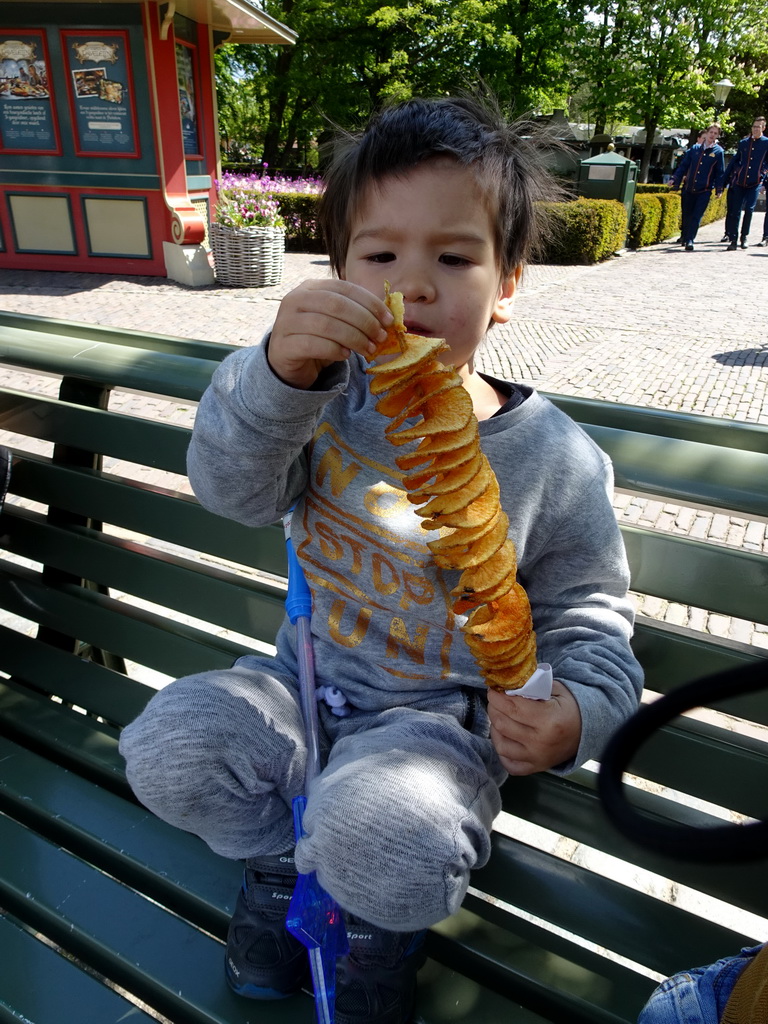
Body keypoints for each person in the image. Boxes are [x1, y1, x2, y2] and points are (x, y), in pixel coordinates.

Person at [119, 95, 644, 1024]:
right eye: (380, 256)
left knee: (389, 832)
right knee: (172, 745)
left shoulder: (556, 459)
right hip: (301, 686)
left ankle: (373, 929)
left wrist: (577, 714)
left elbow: (591, 614)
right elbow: (230, 490)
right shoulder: (312, 398)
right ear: (340, 273)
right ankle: (282, 863)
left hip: (435, 731)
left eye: (453, 257)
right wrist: (277, 375)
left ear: (508, 281)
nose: (414, 288)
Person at [669, 124, 725, 251]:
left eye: (715, 133)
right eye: (711, 132)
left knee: (696, 216)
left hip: (704, 190)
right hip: (689, 188)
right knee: (687, 214)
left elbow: (720, 172)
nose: (712, 135)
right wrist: (675, 178)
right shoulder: (694, 149)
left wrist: (719, 189)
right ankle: (685, 236)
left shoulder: (718, 152)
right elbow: (684, 166)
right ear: (707, 132)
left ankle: (690, 240)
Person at [721, 116, 768, 249]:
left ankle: (744, 236)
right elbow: (736, 160)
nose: (755, 129)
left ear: (763, 128)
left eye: (758, 127)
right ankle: (733, 239)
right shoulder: (744, 143)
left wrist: (762, 174)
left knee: (749, 209)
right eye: (754, 127)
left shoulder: (766, 143)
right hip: (740, 181)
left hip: (755, 182)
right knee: (735, 210)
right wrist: (729, 176)